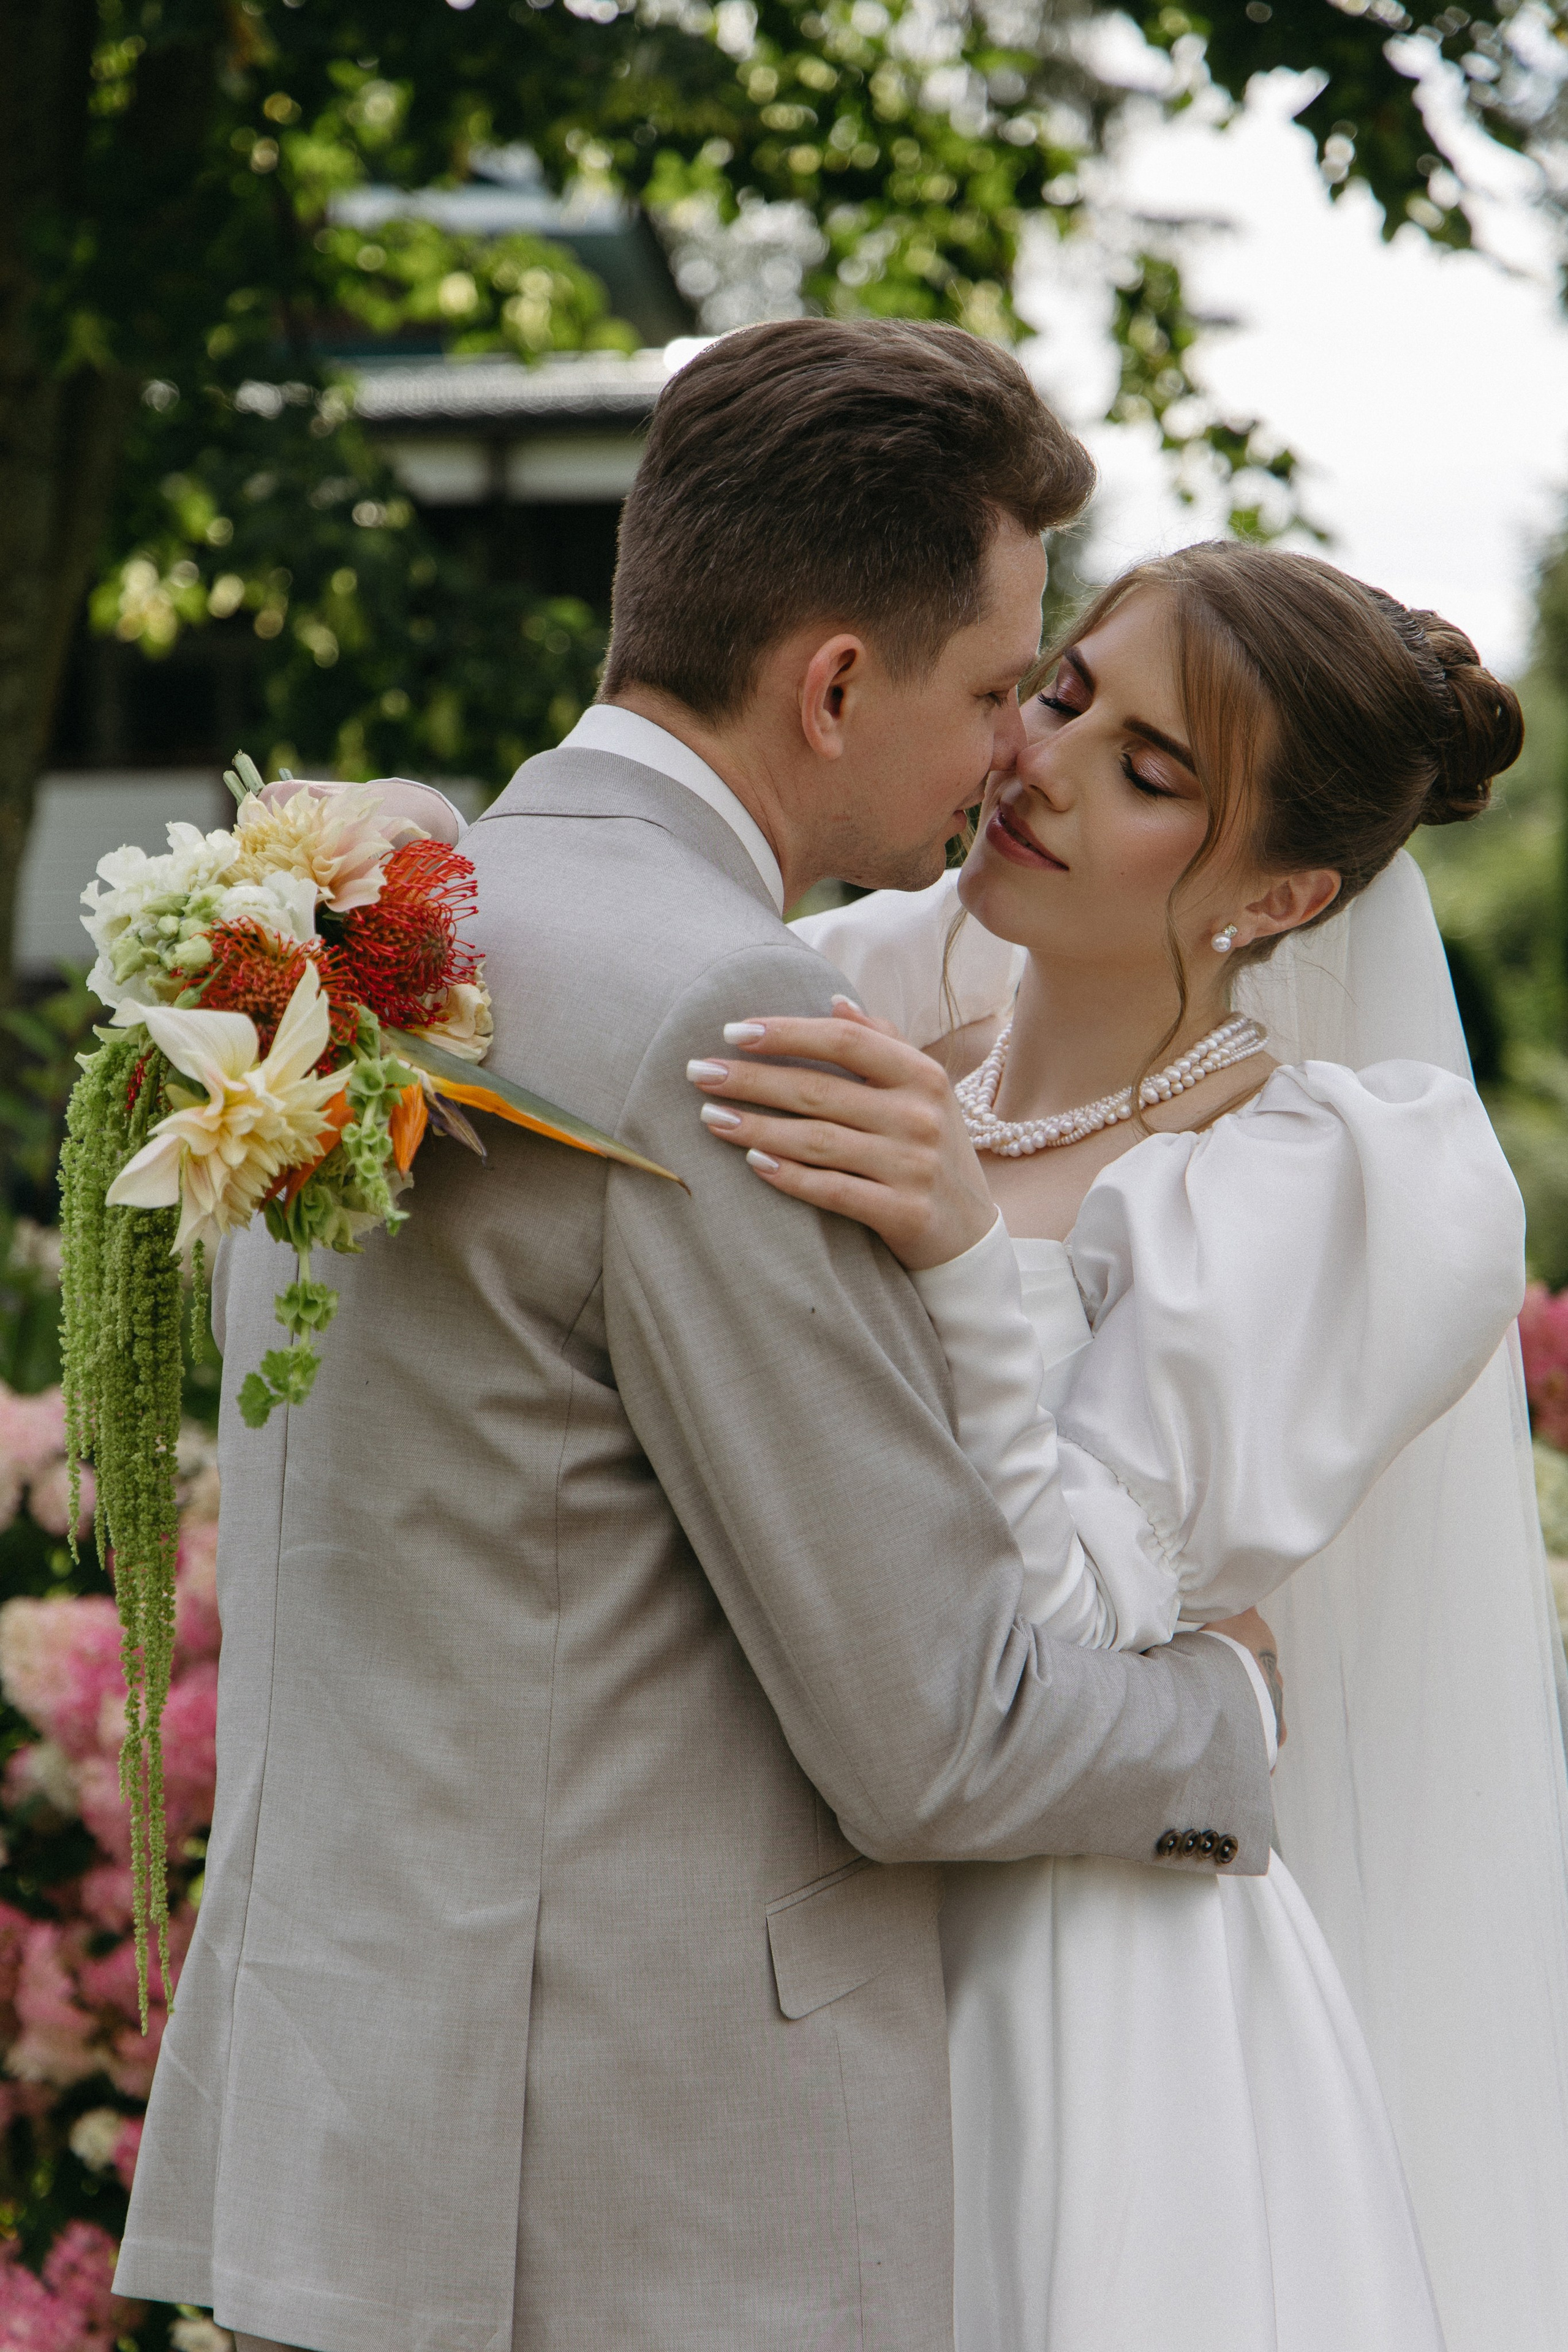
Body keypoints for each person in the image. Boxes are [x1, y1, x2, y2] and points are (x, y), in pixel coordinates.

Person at [116, 323, 1289, 2352]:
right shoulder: (726, 1021)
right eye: (1002, 688)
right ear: (835, 684)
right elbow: (936, 1732)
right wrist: (1234, 1720)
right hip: (633, 2215)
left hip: (362, 2155)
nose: (1016, 751)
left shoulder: (376, 917)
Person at [692, 541, 1568, 2348]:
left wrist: (955, 1254)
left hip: (1075, 1976)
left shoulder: (1317, 1189)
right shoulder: (865, 1001)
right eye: (1068, 692)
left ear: (1280, 893)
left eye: (1154, 773)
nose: (1048, 763)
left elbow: (1081, 1623)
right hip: (783, 1930)